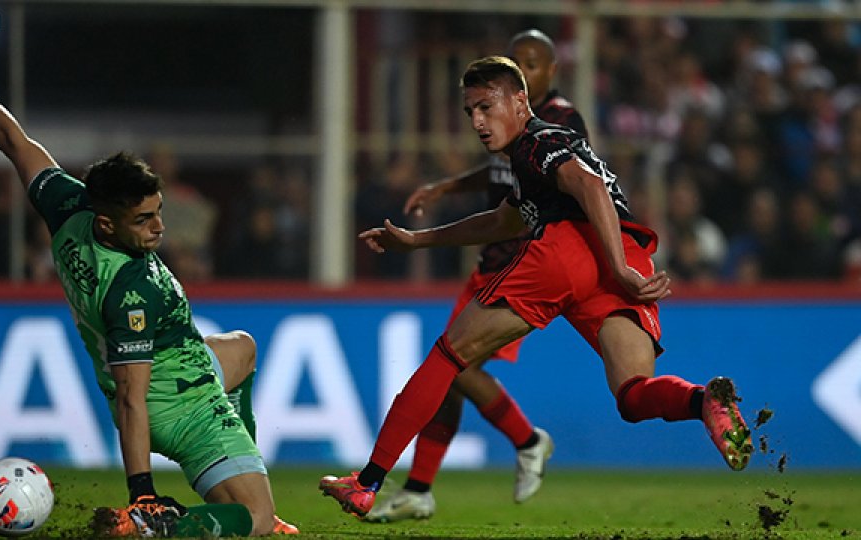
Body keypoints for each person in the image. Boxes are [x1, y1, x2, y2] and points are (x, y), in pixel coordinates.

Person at [320, 55, 754, 519]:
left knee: (450, 357)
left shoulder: (539, 140)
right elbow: (504, 220)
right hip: (624, 253)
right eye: (471, 113)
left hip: (578, 250)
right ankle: (702, 400)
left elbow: (589, 188)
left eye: (487, 106)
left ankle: (366, 484)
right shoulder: (532, 165)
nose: (479, 122)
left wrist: (615, 266)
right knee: (632, 394)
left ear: (521, 99)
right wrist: (420, 240)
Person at [0, 31, 296, 537]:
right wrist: (142, 489)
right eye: (143, 220)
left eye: (158, 212)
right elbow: (130, 397)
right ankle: (157, 524)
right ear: (108, 225)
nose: (159, 228)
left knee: (242, 349)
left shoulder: (70, 207)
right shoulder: (131, 289)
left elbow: (16, 142)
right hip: (181, 403)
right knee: (254, 524)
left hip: (178, 364)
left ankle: (239, 464)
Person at [364, 29, 587, 523]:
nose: (524, 68)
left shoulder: (561, 122)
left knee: (456, 366)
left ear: (551, 72)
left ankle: (528, 440)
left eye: (534, 62)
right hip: (490, 257)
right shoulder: (502, 119)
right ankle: (419, 487)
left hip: (523, 261)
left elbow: (569, 185)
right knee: (447, 372)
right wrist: (447, 187)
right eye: (518, 60)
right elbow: (500, 174)